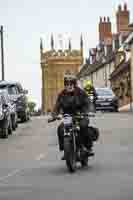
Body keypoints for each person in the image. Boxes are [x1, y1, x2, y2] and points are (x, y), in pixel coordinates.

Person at [51, 73, 94, 160]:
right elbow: (56, 107)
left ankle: (87, 148)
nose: (69, 86)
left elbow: (88, 103)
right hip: (68, 116)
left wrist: (89, 111)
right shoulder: (61, 95)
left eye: (71, 84)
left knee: (83, 126)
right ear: (65, 85)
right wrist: (55, 115)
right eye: (67, 84)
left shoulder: (81, 92)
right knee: (61, 129)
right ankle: (65, 150)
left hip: (81, 114)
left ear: (74, 84)